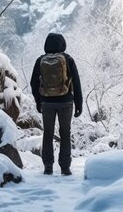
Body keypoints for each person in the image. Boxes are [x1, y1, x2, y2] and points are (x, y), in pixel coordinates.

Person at [31, 32, 82, 176]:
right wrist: (79, 104)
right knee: (65, 133)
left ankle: (48, 166)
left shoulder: (40, 60)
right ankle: (65, 167)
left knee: (48, 133)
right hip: (66, 102)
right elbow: (76, 82)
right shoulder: (67, 59)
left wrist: (38, 101)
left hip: (47, 102)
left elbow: (33, 83)